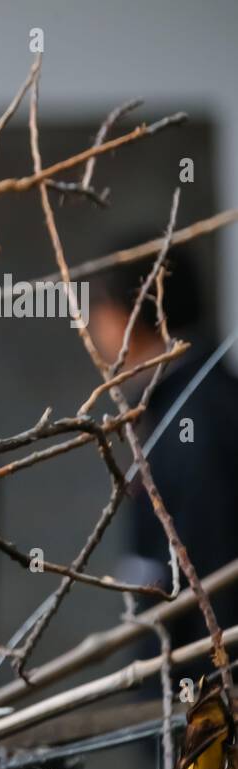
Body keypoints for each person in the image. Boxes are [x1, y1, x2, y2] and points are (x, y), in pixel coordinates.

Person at [89, 237, 238, 648]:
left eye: (96, 310)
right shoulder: (184, 400)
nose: (90, 328)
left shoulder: (193, 417)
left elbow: (210, 574)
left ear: (129, 315)